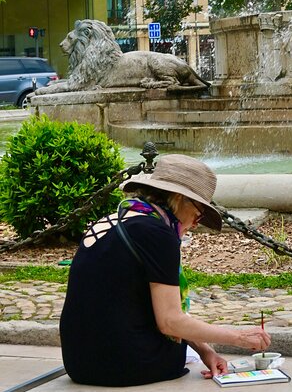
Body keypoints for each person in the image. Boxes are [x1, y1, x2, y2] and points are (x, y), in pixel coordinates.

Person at [59, 154, 271, 387]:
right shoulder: (158, 234)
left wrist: (205, 351)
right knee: (174, 347)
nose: (195, 224)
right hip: (125, 364)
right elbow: (169, 321)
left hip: (79, 363)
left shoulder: (114, 219)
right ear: (180, 199)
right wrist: (238, 338)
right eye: (198, 214)